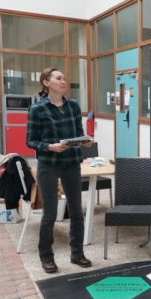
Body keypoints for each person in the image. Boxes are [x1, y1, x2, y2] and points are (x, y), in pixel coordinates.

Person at [26, 68, 94, 273]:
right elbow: (30, 141)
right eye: (58, 78)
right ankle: (46, 257)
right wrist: (49, 146)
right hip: (48, 164)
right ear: (46, 83)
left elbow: (79, 133)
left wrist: (85, 142)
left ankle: (77, 254)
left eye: (64, 78)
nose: (63, 81)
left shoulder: (73, 106)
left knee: (76, 212)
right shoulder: (37, 109)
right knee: (50, 214)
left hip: (72, 162)